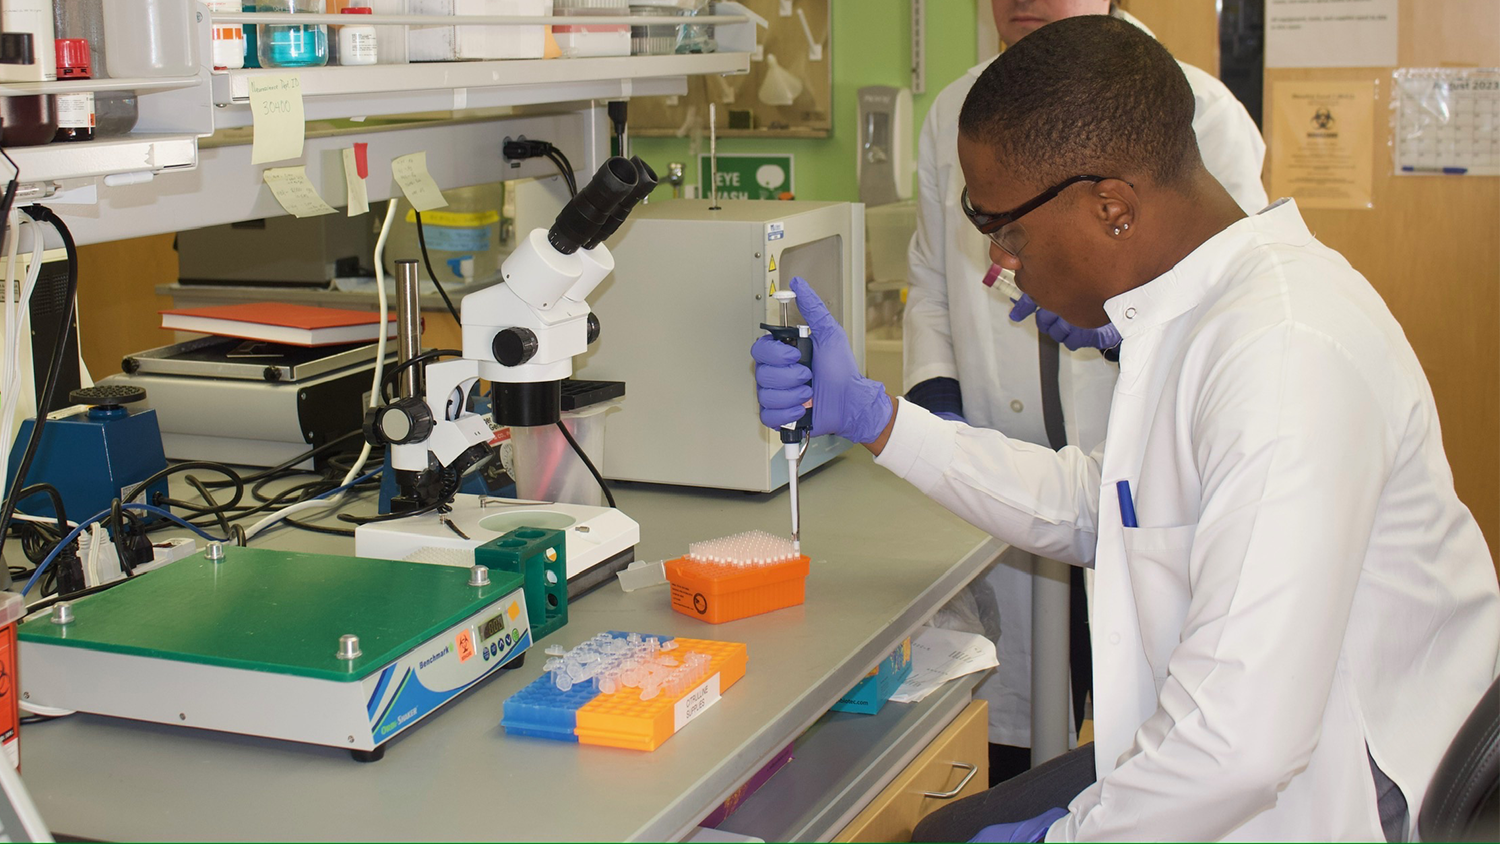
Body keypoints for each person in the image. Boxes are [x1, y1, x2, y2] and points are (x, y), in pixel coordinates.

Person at [752, 15, 1500, 841]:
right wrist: (882, 420)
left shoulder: (1284, 352)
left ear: (1112, 207)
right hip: (1242, 744)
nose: (1000, 266)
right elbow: (1098, 506)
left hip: (1336, 792)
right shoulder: (1200, 313)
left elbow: (1239, 749)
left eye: (1006, 229)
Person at [905, 0, 1269, 783]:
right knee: (1016, 733)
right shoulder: (957, 114)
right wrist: (927, 415)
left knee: (1145, 719)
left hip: (1130, 469)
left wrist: (1123, 337)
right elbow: (934, 280)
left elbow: (1204, 290)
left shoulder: (1197, 111)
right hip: (1037, 478)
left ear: (1114, 205)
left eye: (1009, 231)